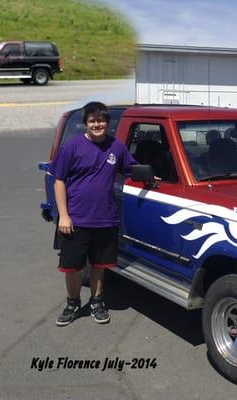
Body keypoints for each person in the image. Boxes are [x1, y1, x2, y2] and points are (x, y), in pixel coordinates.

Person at [50, 101, 137, 326]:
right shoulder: (72, 146)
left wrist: (151, 175)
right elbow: (58, 180)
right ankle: (73, 303)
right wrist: (64, 215)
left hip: (105, 218)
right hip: (76, 219)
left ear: (108, 123)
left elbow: (132, 168)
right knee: (72, 267)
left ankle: (97, 301)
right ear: (85, 123)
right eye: (92, 120)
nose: (97, 124)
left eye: (101, 120)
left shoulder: (116, 147)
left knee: (99, 265)